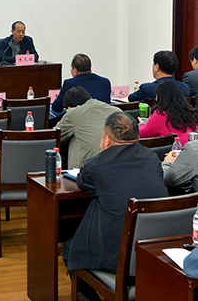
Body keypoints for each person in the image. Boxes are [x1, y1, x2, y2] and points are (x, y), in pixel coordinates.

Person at [63, 112, 168, 274]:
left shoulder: (96, 165)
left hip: (117, 255)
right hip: (155, 248)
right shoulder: (152, 158)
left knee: (70, 249)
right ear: (138, 138)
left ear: (107, 140)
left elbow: (83, 183)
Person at [56, 86, 121, 169]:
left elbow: (54, 137)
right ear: (90, 98)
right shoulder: (117, 111)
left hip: (86, 170)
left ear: (69, 108)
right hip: (119, 165)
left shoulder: (73, 113)